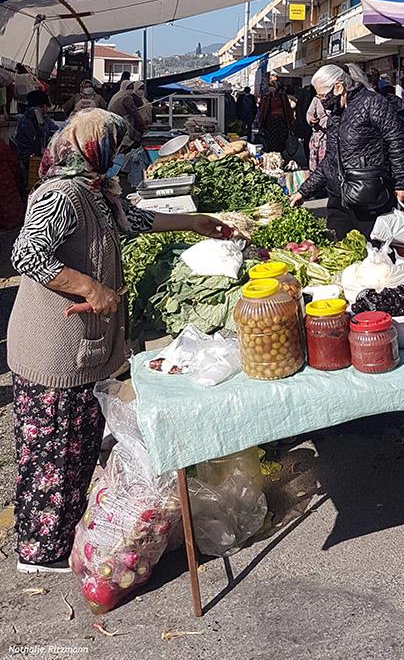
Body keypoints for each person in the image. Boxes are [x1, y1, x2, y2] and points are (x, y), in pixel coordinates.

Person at [8, 110, 235, 573]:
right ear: (94, 147)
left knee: (75, 446)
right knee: (52, 450)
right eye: (116, 148)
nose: (120, 159)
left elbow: (134, 219)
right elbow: (26, 254)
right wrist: (91, 288)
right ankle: (39, 552)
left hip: (82, 346)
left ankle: (63, 533)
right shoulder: (61, 195)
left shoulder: (94, 191)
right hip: (52, 347)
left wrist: (195, 223)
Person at [290, 64, 404, 239]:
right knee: (337, 251)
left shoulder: (372, 102)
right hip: (338, 199)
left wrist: (401, 184)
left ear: (339, 87)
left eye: (322, 95)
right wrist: (305, 191)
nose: (321, 100)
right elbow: (330, 160)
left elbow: (399, 141)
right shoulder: (335, 114)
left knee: (376, 255)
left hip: (368, 196)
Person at [14, 91, 57, 176]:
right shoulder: (26, 122)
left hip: (41, 156)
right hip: (29, 158)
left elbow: (54, 130)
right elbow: (35, 142)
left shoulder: (45, 118)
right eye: (41, 107)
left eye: (46, 106)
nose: (45, 109)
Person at [258, 74, 295, 153]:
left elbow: (287, 108)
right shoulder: (267, 97)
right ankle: (272, 154)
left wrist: (291, 120)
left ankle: (280, 154)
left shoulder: (282, 96)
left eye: (271, 87)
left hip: (281, 121)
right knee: (271, 140)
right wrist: (261, 121)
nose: (269, 89)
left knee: (281, 140)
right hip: (270, 121)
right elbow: (263, 109)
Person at [108, 80, 151, 144]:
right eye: (128, 88)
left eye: (132, 88)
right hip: (118, 124)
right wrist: (144, 128)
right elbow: (135, 114)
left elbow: (139, 104)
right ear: (124, 87)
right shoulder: (126, 98)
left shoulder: (118, 95)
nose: (130, 90)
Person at [306, 93, 329, 172]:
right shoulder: (317, 99)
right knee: (315, 162)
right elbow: (309, 114)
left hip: (331, 135)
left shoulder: (337, 98)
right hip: (318, 135)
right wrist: (311, 119)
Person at [294, 84, 316, 161]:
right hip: (306, 122)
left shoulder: (306, 91)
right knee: (307, 142)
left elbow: (299, 107)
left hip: (313, 123)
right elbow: (299, 107)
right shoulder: (306, 91)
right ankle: (309, 161)